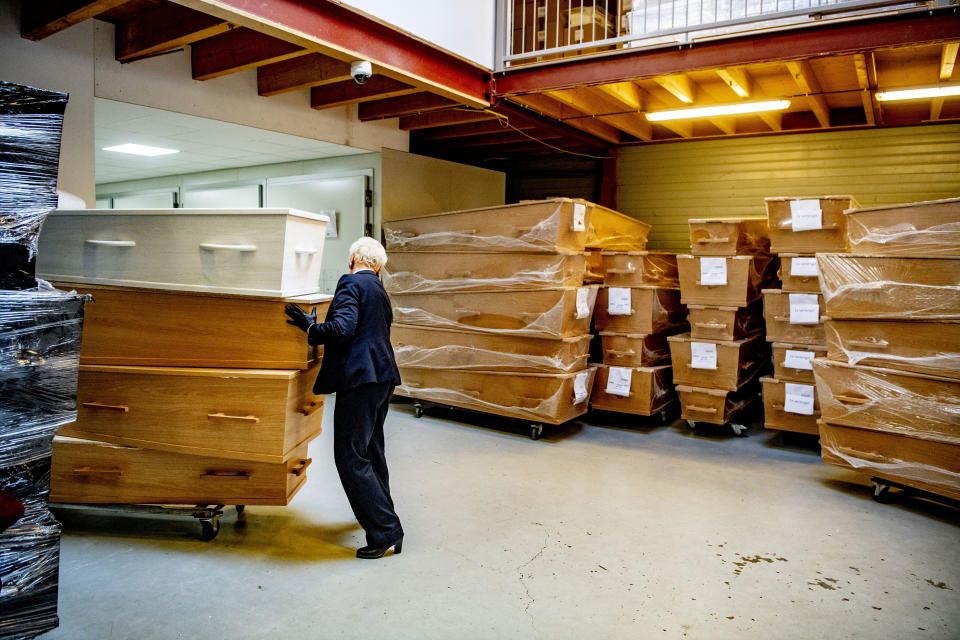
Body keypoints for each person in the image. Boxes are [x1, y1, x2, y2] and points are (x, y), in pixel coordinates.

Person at [284, 237, 404, 559]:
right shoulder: (379, 290)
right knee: (371, 453)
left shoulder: (350, 282)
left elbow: (343, 328)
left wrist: (312, 328)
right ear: (378, 266)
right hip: (382, 379)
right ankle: (385, 521)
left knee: (350, 457)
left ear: (353, 258)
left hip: (360, 381)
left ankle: (385, 529)